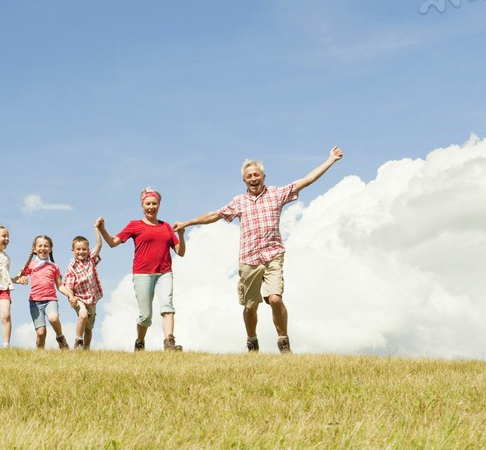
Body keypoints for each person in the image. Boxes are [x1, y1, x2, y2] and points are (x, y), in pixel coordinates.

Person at [174, 146, 344, 354]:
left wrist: (330, 160)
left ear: (263, 176)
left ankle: (283, 342)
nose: (253, 178)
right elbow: (215, 215)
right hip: (249, 259)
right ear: (244, 180)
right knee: (250, 306)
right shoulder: (239, 202)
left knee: (275, 298)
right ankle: (252, 341)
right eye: (249, 176)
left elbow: (307, 180)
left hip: (273, 255)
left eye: (256, 174)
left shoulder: (276, 194)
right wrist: (188, 222)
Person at [97, 188, 186, 352]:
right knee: (145, 316)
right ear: (142, 205)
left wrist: (181, 234)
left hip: (164, 273)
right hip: (142, 274)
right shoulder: (134, 225)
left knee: (167, 307)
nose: (151, 207)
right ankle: (140, 341)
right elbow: (112, 242)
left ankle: (169, 342)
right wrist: (102, 229)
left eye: (154, 203)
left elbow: (180, 252)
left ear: (159, 205)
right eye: (148, 203)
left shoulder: (166, 226)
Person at [13, 235, 70, 349]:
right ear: (34, 249)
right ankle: (40, 355)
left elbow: (60, 285)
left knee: (53, 318)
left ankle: (60, 337)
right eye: (40, 246)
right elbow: (16, 278)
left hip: (50, 300)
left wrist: (70, 295)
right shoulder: (30, 265)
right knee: (41, 333)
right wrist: (20, 280)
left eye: (46, 246)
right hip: (35, 302)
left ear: (50, 249)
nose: (43, 248)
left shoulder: (54, 267)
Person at [59, 224, 104, 350]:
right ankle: (78, 341)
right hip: (78, 298)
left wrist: (97, 228)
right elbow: (68, 286)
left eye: (84, 249)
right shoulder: (71, 267)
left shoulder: (91, 260)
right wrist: (71, 297)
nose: (81, 252)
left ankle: (87, 348)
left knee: (89, 328)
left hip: (92, 299)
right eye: (78, 249)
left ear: (88, 250)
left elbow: (99, 244)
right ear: (73, 251)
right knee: (83, 315)